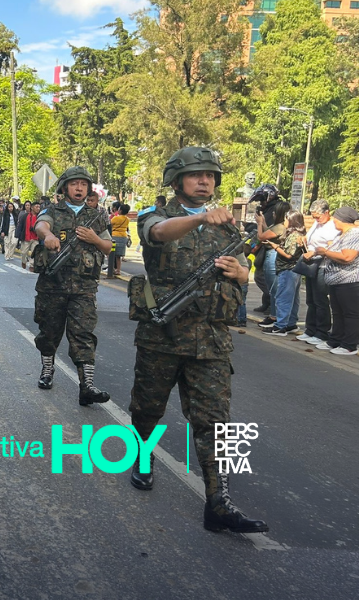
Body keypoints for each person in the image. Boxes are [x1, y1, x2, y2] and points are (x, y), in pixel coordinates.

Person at [127, 146, 268, 534]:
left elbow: (241, 277)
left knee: (217, 423)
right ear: (176, 181)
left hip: (211, 341)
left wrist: (242, 275)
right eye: (195, 175)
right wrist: (202, 218)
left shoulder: (228, 228)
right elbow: (157, 233)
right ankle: (143, 457)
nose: (205, 181)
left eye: (210, 175)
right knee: (147, 408)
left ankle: (219, 501)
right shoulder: (154, 215)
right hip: (162, 337)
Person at [31, 166, 113, 404]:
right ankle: (47, 370)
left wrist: (94, 239)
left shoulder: (96, 215)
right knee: (49, 332)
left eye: (84, 184)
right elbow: (41, 225)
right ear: (65, 187)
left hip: (84, 289)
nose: (79, 188)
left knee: (83, 335)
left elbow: (107, 247)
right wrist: (48, 236)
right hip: (52, 286)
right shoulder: (53, 211)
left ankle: (87, 385)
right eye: (75, 184)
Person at [314, 207, 359, 355]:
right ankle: (336, 340)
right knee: (338, 313)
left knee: (350, 313)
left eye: (335, 218)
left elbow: (348, 257)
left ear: (342, 219)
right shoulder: (343, 234)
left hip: (349, 280)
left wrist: (326, 252)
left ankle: (349, 345)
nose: (333, 220)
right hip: (336, 280)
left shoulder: (354, 234)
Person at [296, 200, 339, 345]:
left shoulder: (332, 226)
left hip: (323, 264)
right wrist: (304, 241)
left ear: (327, 213)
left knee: (320, 299)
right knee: (311, 299)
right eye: (314, 217)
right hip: (311, 263)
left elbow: (332, 247)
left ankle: (322, 331)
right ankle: (310, 328)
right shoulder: (317, 224)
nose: (316, 220)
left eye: (318, 217)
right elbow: (311, 239)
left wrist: (314, 252)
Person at [264, 209, 306, 336]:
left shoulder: (294, 236)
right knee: (292, 298)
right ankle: (290, 323)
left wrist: (275, 246)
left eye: (286, 219)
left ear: (292, 221)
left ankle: (280, 326)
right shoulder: (297, 234)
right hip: (294, 270)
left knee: (283, 298)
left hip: (288, 269)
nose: (284, 222)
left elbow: (289, 254)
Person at [255, 198, 290, 329]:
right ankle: (275, 315)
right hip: (271, 255)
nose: (273, 214)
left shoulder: (280, 226)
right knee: (272, 288)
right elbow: (267, 233)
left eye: (275, 212)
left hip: (273, 257)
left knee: (274, 289)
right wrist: (263, 222)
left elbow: (261, 236)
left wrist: (259, 224)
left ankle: (275, 316)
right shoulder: (278, 226)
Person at [249, 184, 280, 314]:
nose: (260, 203)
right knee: (261, 276)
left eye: (262, 199)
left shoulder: (275, 209)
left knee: (265, 278)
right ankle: (267, 303)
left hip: (271, 247)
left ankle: (272, 305)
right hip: (265, 247)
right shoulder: (267, 209)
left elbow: (264, 232)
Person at [109, 203, 130, 277]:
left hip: (115, 236)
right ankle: (118, 270)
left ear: (120, 210)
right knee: (119, 256)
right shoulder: (127, 219)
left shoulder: (115, 218)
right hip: (123, 236)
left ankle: (111, 269)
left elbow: (109, 224)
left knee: (111, 254)